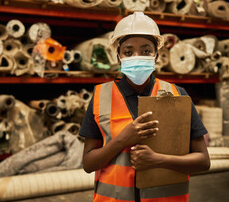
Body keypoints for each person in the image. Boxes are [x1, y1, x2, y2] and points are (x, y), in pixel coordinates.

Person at [79, 11, 210, 202]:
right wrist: (122, 140)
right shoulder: (101, 96)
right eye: (128, 52)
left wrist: (158, 160)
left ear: (156, 55)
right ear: (118, 57)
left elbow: (203, 161)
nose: (137, 56)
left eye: (146, 51)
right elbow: (88, 164)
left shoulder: (177, 95)